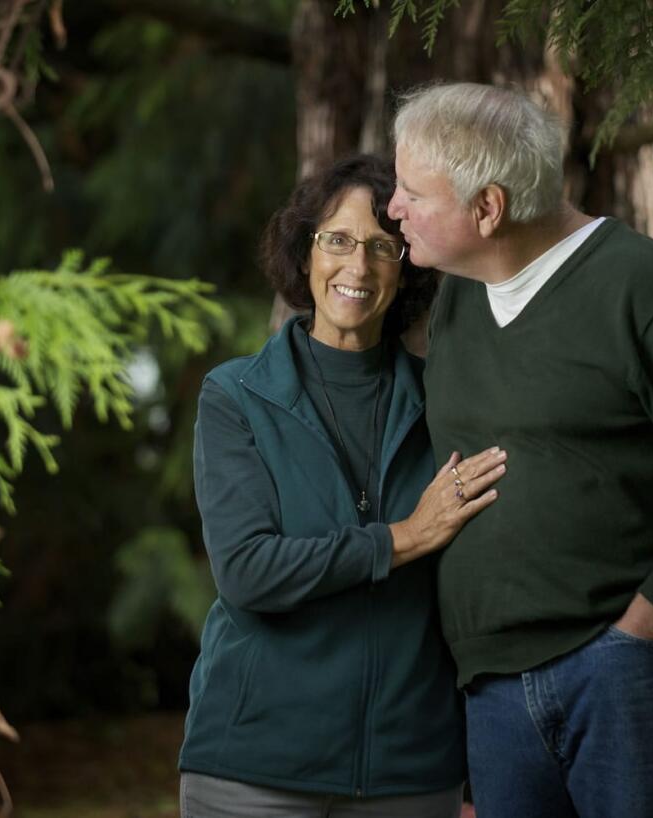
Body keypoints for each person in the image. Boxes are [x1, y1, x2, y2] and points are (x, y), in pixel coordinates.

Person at [386, 83, 653, 818]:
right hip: (494, 688)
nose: (393, 208)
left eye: (412, 191)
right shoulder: (459, 301)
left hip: (625, 677)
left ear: (488, 208)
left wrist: (645, 627)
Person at [179, 154, 507, 818]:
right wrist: (404, 539)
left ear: (407, 267)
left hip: (409, 770)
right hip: (255, 767)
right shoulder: (236, 396)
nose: (357, 267)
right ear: (306, 254)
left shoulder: (445, 403)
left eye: (383, 247)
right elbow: (246, 571)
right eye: (338, 240)